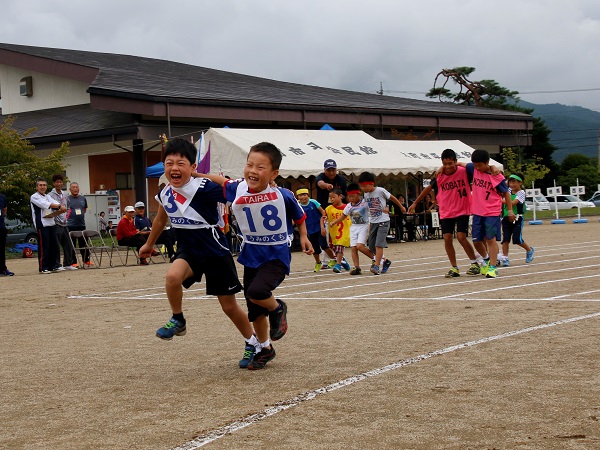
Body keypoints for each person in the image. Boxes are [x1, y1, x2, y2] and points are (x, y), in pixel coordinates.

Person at [139, 138, 257, 368]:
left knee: (229, 306)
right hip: (188, 249)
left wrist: (207, 177)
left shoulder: (204, 188)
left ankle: (253, 342)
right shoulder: (165, 193)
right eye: (169, 163)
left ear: (193, 168)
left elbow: (233, 189)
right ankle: (178, 319)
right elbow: (161, 219)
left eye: (181, 163)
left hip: (214, 249)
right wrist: (149, 244)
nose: (174, 168)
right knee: (172, 277)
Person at [197, 141, 313, 370]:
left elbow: (299, 217)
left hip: (276, 255)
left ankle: (278, 308)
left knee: (258, 292)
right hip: (251, 255)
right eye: (249, 164)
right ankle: (265, 348)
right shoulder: (238, 188)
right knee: (254, 308)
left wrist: (303, 237)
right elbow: (223, 181)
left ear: (274, 173)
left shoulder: (283, 195)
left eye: (260, 167)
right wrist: (196, 174)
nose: (252, 171)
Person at [409, 148, 481, 278]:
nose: (448, 166)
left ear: (455, 162)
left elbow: (475, 168)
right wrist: (415, 202)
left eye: (450, 163)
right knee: (447, 238)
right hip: (446, 211)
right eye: (445, 164)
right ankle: (454, 267)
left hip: (462, 209)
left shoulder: (464, 171)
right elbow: (428, 189)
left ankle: (474, 263)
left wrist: (459, 164)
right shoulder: (440, 176)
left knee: (461, 237)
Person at [467, 149, 514, 278]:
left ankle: (493, 267)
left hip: (491, 212)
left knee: (490, 239)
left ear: (487, 162)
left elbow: (506, 193)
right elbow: (460, 164)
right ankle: (486, 259)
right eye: (475, 165)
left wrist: (509, 211)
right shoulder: (473, 169)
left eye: (480, 165)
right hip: (477, 212)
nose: (477, 168)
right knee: (476, 241)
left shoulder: (496, 176)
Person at [358, 171, 406, 275]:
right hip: (373, 221)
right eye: (361, 187)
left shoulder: (380, 191)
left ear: (372, 184)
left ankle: (376, 265)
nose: (363, 189)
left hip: (383, 221)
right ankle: (385, 261)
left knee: (378, 244)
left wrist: (401, 207)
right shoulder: (366, 195)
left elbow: (392, 198)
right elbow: (366, 207)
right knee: (371, 245)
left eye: (364, 186)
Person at [329, 182, 375, 275]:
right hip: (354, 227)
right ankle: (357, 267)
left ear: (358, 194)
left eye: (353, 196)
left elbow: (374, 208)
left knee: (360, 246)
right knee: (353, 248)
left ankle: (375, 259)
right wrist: (334, 222)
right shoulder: (349, 206)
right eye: (349, 197)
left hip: (364, 226)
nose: (351, 198)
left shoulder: (364, 203)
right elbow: (343, 216)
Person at [30, 178, 67, 274]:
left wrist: (61, 206)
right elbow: (44, 205)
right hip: (42, 224)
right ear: (37, 187)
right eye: (40, 185)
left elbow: (56, 202)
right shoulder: (34, 197)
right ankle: (43, 267)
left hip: (51, 222)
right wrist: (59, 206)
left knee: (54, 245)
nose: (42, 187)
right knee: (44, 246)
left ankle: (55, 265)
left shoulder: (47, 196)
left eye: (44, 185)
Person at [315, 159, 347, 266]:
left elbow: (345, 195)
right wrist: (327, 186)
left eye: (333, 170)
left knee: (336, 238)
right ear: (325, 170)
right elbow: (320, 183)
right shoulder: (321, 177)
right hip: (325, 211)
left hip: (338, 212)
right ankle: (328, 260)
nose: (332, 172)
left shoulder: (341, 179)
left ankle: (337, 259)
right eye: (329, 170)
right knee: (324, 237)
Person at [295, 187, 335, 272]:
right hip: (309, 230)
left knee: (324, 245)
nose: (303, 197)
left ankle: (333, 259)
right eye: (300, 195)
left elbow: (322, 211)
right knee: (315, 248)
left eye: (304, 195)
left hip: (319, 228)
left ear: (308, 195)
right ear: (298, 197)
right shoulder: (297, 205)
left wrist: (324, 222)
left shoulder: (313, 202)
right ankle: (318, 262)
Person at [500, 173, 535, 266]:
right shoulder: (507, 191)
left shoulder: (521, 193)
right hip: (506, 218)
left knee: (517, 239)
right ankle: (505, 258)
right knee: (505, 239)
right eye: (510, 182)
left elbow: (512, 203)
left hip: (517, 218)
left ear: (520, 183)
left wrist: (499, 200)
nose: (512, 184)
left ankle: (529, 250)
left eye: (514, 182)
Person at [48, 174, 78, 270]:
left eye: (60, 182)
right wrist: (58, 213)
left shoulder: (65, 194)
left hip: (65, 223)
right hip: (56, 222)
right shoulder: (50, 195)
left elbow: (68, 206)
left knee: (68, 244)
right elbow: (49, 208)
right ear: (53, 183)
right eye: (57, 182)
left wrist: (67, 216)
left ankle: (67, 263)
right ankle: (57, 265)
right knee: (56, 245)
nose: (59, 184)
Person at [323, 188, 352, 273]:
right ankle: (342, 260)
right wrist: (323, 224)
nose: (332, 199)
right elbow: (324, 217)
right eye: (330, 197)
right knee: (333, 247)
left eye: (334, 197)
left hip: (344, 231)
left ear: (340, 196)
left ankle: (338, 264)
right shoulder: (329, 208)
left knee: (339, 246)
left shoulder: (347, 208)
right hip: (333, 232)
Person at [67, 182, 91, 266]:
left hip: (81, 225)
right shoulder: (67, 199)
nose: (75, 189)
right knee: (72, 244)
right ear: (70, 189)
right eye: (73, 187)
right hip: (70, 225)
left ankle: (86, 260)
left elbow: (84, 209)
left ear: (79, 189)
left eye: (76, 187)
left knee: (84, 243)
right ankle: (73, 262)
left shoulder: (83, 198)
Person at [0, 191, 15, 276]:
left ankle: (2, 269)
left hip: (1, 227)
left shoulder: (2, 196)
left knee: (1, 250)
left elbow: (5, 209)